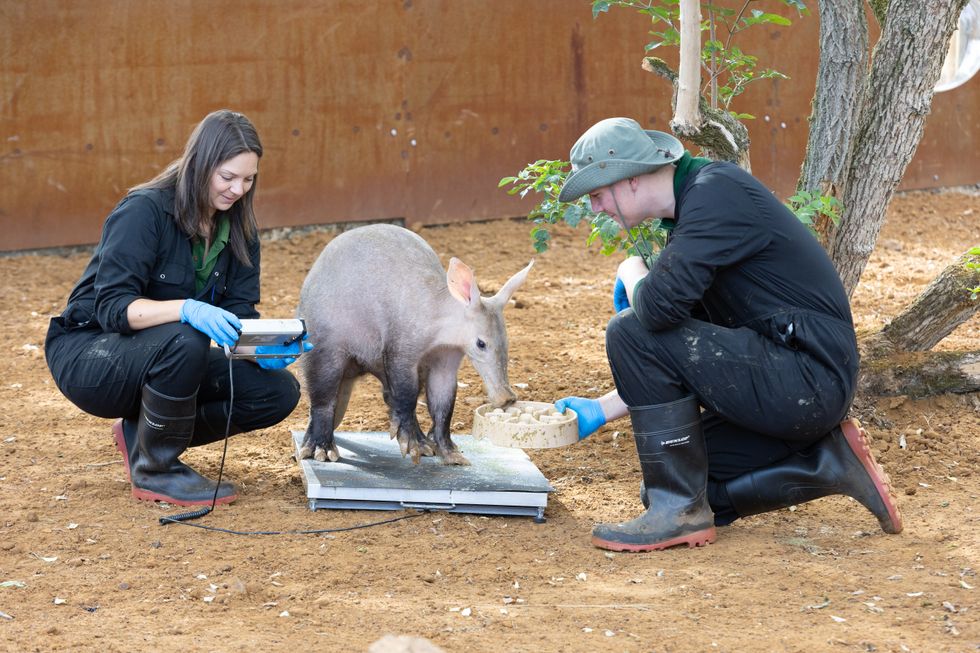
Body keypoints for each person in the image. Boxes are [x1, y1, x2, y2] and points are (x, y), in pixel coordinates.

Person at [554, 117, 903, 552]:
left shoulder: (714, 193)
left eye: (597, 194)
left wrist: (632, 271)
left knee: (630, 330)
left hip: (806, 379)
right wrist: (601, 410)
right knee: (682, 479)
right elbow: (687, 353)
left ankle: (679, 515)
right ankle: (828, 463)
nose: (595, 208)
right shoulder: (695, 214)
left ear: (629, 180)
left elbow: (657, 313)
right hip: (795, 387)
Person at [45, 109, 309, 507]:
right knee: (185, 337)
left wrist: (264, 346)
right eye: (228, 177)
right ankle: (156, 471)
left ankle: (143, 436)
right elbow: (114, 309)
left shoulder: (240, 231)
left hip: (170, 356)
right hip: (91, 355)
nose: (238, 190)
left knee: (276, 392)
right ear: (201, 165)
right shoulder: (144, 210)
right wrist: (186, 308)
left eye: (249, 179)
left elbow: (239, 315)